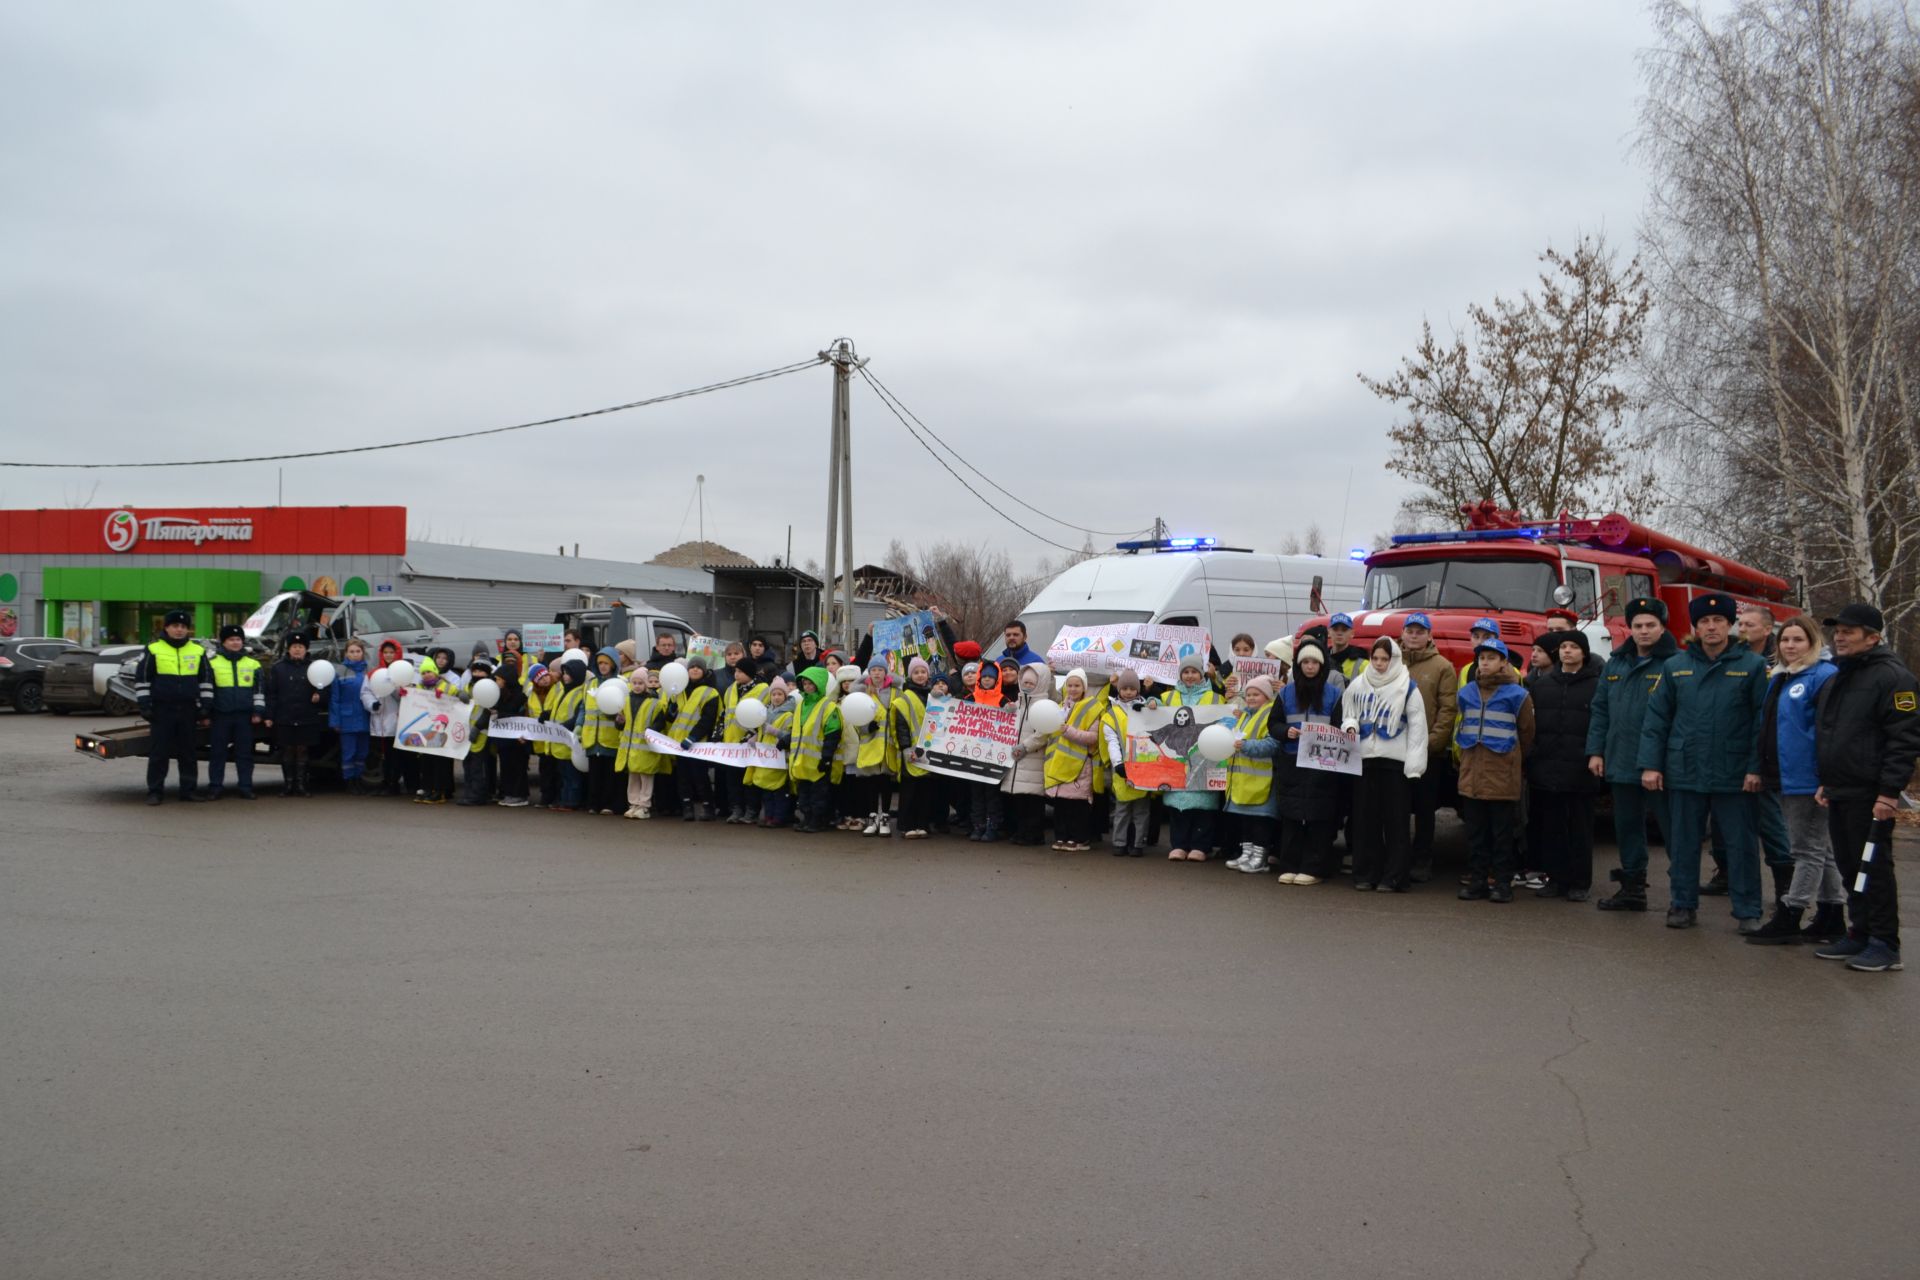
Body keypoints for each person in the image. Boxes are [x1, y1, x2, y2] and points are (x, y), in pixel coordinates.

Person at [1637, 593, 1770, 932]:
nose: (1711, 627)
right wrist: (1651, 765)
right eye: (1704, 622)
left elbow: (1762, 723)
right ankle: (1682, 905)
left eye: (1719, 621)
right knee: (1683, 844)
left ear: (1730, 626)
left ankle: (1747, 911)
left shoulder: (1751, 666)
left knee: (1741, 846)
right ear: (1695, 628)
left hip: (1735, 771)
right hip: (1685, 769)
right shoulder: (1675, 666)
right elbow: (1657, 720)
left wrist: (1757, 767)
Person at [1810, 602, 1920, 972]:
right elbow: (1831, 733)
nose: (1839, 637)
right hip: (1841, 788)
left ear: (1873, 637)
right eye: (1837, 631)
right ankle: (1859, 933)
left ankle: (1885, 944)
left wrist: (1890, 793)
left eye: (1849, 631)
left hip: (1872, 793)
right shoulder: (1839, 673)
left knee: (1873, 867)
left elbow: (1904, 739)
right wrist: (1827, 781)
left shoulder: (1894, 677)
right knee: (1849, 867)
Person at [1745, 617, 1842, 943]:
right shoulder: (1782, 676)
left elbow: (1829, 732)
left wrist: (1824, 777)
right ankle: (1832, 914)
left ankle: (1791, 914)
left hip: (1808, 778)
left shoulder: (1824, 676)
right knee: (1821, 849)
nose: (1789, 646)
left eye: (1798, 640)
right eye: (1785, 640)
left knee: (1805, 850)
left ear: (1813, 642)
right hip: (1785, 776)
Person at [1586, 597, 1680, 913]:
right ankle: (1632, 890)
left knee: (1673, 832)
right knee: (1627, 828)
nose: (1643, 631)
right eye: (1637, 625)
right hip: (1621, 760)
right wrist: (1596, 751)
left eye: (1650, 625)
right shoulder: (1615, 664)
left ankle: (1682, 898)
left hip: (1662, 766)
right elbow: (1600, 710)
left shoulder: (1676, 664)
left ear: (1663, 627)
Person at [1341, 636, 1430, 892]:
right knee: (1365, 820)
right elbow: (1349, 713)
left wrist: (1414, 765)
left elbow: (1417, 727)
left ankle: (1393, 876)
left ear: (1394, 660)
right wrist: (1350, 725)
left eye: (1384, 659)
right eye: (1376, 658)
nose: (1379, 664)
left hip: (1395, 762)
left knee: (1395, 822)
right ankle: (1366, 873)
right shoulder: (1358, 684)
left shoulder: (1408, 687)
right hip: (1366, 759)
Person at [1454, 637, 1534, 902]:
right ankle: (1477, 882)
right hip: (1472, 774)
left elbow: (1526, 734)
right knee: (1476, 834)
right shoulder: (1466, 692)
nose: (1485, 663)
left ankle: (1502, 883)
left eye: (1491, 658)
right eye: (1482, 658)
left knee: (1502, 834)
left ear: (1503, 662)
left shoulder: (1519, 695)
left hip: (1502, 774)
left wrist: (1515, 764)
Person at [1526, 632, 1601, 901]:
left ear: (1584, 652)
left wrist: (1595, 754)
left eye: (1574, 647)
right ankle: (1556, 879)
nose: (1568, 652)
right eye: (1564, 647)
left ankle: (1580, 882)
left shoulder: (1596, 685)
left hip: (1581, 767)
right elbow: (1531, 724)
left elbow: (1601, 722)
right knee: (1552, 827)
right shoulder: (1543, 685)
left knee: (1580, 828)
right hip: (1547, 767)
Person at [1273, 641, 1344, 885]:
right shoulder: (1285, 693)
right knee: (1292, 815)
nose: (1310, 667)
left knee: (1319, 816)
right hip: (1292, 760)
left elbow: (1339, 726)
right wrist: (1286, 732)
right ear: (1298, 665)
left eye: (1314, 662)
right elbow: (1274, 724)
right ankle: (1290, 865)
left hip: (1322, 763)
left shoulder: (1334, 694)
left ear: (1322, 665)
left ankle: (1314, 868)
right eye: (1305, 662)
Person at [1398, 613, 1456, 883]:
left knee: (1424, 808)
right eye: (1409, 630)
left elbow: (1448, 710)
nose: (1413, 635)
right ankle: (1397, 857)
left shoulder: (1442, 666)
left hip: (1426, 753)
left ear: (1430, 636)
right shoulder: (1390, 661)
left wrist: (1431, 744)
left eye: (1420, 631)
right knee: (1395, 807)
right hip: (1394, 749)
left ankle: (1422, 859)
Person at [134, 608, 212, 804]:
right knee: (159, 753)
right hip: (162, 709)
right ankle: (155, 791)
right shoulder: (153, 649)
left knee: (188, 753)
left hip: (188, 709)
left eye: (183, 627)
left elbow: (206, 681)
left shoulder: (198, 651)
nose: (179, 630)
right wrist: (145, 706)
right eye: (175, 626)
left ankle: (188, 790)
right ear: (166, 627)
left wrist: (205, 705)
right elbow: (142, 679)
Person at [1161, 654, 1224, 861]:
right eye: (1186, 672)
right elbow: (1155, 712)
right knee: (1179, 808)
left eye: (1194, 672)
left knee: (1203, 805)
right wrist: (1152, 702)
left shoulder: (1215, 698)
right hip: (1177, 761)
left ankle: (1200, 846)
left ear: (1202, 674)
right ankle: (1179, 845)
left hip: (1204, 759)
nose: (1190, 676)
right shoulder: (1168, 697)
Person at [1224, 676, 1283, 873]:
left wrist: (1247, 746)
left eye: (1256, 694)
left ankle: (1260, 858)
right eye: (1248, 694)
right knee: (1246, 821)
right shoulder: (1245, 715)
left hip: (1262, 780)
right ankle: (1247, 854)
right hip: (1245, 781)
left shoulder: (1270, 714)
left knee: (1260, 823)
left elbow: (1273, 744)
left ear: (1267, 696)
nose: (1251, 698)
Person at [1040, 668, 1102, 852]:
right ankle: (1061, 836)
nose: (1073, 689)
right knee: (1061, 805)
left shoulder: (1093, 707)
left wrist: (1069, 731)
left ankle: (1079, 838)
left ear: (1084, 687)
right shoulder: (1061, 707)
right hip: (1059, 764)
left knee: (1078, 806)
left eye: (1077, 685)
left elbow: (1093, 737)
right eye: (1070, 685)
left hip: (1080, 766)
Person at [262, 630, 327, 798]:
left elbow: (325, 688)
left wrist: (319, 696)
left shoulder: (314, 667)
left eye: (300, 647)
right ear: (288, 649)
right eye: (294, 646)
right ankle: (288, 785)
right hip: (285, 716)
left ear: (306, 649)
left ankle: (301, 785)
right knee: (287, 751)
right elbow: (271, 694)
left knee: (303, 751)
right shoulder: (278, 668)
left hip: (306, 716)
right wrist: (269, 716)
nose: (297, 650)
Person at [204, 624, 263, 801]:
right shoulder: (212, 663)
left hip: (244, 717)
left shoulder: (253, 664)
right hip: (220, 715)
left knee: (244, 755)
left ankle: (245, 787)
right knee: (217, 754)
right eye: (231, 640)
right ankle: (215, 787)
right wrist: (205, 714)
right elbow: (207, 690)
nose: (236, 642)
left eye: (238, 639)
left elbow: (258, 691)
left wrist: (258, 711)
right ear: (223, 642)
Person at [1001, 662, 1056, 846]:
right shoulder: (1020, 703)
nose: (1027, 686)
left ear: (1040, 684)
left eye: (1031, 683)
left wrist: (1025, 747)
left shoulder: (1044, 705)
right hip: (1017, 761)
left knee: (1033, 802)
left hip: (1032, 759)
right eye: (1024, 682)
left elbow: (1043, 733)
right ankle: (1021, 831)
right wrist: (1008, 710)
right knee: (1020, 801)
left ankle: (1033, 834)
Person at [1101, 670, 1151, 856]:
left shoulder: (1146, 709)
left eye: (1132, 688)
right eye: (1125, 688)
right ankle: (1119, 843)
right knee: (1122, 809)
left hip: (1143, 767)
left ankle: (1138, 844)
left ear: (1138, 690)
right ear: (1118, 689)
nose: (1128, 692)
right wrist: (1118, 763)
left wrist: (1147, 709)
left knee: (1141, 810)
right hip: (1122, 768)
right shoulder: (1112, 713)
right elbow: (1112, 740)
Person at [787, 666, 842, 833]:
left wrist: (826, 758)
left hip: (818, 761)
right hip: (802, 761)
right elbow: (798, 730)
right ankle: (807, 817)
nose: (807, 686)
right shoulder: (801, 704)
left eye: (810, 683)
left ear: (818, 685)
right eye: (804, 683)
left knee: (819, 794)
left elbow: (833, 734)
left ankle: (817, 820)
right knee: (803, 794)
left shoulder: (828, 707)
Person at [668, 656, 720, 820]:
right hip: (679, 743)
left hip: (698, 744)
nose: (695, 669)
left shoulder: (711, 692)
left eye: (699, 667)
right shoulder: (680, 690)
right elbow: (672, 718)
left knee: (700, 777)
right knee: (682, 778)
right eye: (692, 667)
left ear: (704, 671)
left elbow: (708, 719)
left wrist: (693, 737)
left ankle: (708, 808)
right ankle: (687, 808)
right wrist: (671, 709)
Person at [719, 659, 771, 823]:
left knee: (749, 779)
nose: (736, 675)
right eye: (735, 671)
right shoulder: (730, 690)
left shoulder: (763, 690)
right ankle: (736, 809)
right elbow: (724, 714)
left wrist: (753, 735)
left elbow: (766, 714)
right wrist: (718, 734)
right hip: (731, 743)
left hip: (750, 743)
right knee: (732, 780)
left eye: (740, 672)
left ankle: (751, 810)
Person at [405, 657, 461, 804]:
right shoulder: (419, 688)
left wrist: (448, 695)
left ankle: (441, 791)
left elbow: (458, 696)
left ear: (435, 672)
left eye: (429, 671)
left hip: (442, 730)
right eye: (423, 673)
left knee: (440, 762)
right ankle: (428, 788)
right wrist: (406, 696)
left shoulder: (445, 685)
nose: (426, 675)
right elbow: (413, 702)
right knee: (426, 762)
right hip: (426, 731)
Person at [616, 668, 670, 819]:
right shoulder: (626, 701)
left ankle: (644, 806)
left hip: (646, 748)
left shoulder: (654, 702)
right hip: (630, 748)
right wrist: (619, 722)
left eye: (641, 683)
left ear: (646, 684)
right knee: (633, 777)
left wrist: (651, 730)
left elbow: (660, 722)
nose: (637, 686)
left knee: (646, 778)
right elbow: (621, 725)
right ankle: (633, 804)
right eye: (634, 683)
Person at [892, 657, 936, 838]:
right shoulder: (906, 698)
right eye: (916, 672)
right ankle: (906, 825)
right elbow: (901, 726)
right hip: (911, 751)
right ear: (911, 675)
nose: (920, 675)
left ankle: (922, 824)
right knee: (909, 791)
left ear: (928, 674)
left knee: (925, 791)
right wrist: (906, 749)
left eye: (923, 672)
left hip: (930, 751)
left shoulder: (933, 696)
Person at [747, 677, 796, 827]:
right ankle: (768, 816)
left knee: (779, 791)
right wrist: (755, 738)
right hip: (765, 758)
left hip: (779, 758)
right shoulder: (764, 712)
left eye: (780, 694)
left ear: (785, 696)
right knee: (766, 790)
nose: (776, 697)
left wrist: (776, 732)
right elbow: (761, 731)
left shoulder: (789, 715)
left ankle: (779, 817)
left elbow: (790, 736)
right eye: (773, 694)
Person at [368, 639, 413, 798]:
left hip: (397, 721)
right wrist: (372, 704)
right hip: (380, 719)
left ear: (397, 654)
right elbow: (365, 692)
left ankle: (394, 783)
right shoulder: (374, 673)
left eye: (391, 652)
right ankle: (386, 782)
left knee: (396, 756)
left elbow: (407, 697)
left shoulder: (404, 673)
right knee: (385, 755)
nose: (388, 655)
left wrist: (395, 688)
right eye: (386, 652)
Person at [330, 639, 373, 795]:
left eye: (358, 651)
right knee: (349, 752)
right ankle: (349, 782)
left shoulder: (369, 670)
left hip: (365, 716)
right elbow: (335, 698)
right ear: (346, 653)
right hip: (346, 717)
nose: (355, 654)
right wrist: (335, 721)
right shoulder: (340, 671)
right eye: (352, 651)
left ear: (363, 653)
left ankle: (358, 779)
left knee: (363, 752)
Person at [456, 654, 497, 807]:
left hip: (482, 733)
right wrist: (460, 694)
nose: (478, 674)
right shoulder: (469, 686)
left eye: (482, 672)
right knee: (467, 765)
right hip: (467, 731)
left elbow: (488, 711)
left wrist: (478, 727)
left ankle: (478, 795)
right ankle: (469, 792)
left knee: (477, 767)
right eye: (475, 671)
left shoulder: (490, 688)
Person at [492, 653, 533, 807]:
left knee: (518, 767)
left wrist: (499, 714)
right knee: (506, 766)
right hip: (504, 740)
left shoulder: (519, 696)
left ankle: (520, 795)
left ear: (506, 679)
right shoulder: (500, 695)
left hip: (517, 740)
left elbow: (517, 715)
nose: (496, 682)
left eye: (498, 679)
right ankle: (508, 793)